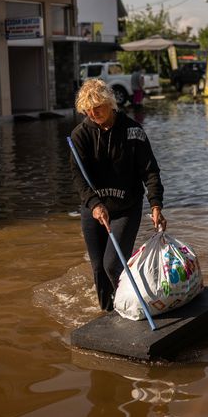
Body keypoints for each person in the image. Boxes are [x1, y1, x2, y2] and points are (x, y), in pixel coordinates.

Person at [70, 79, 166, 311]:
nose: (93, 114)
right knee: (98, 268)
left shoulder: (133, 131)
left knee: (112, 265)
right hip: (94, 208)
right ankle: (107, 313)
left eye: (98, 108)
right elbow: (78, 178)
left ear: (110, 104)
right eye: (88, 110)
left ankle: (128, 305)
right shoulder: (79, 135)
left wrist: (155, 205)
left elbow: (150, 171)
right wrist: (94, 204)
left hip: (126, 207)